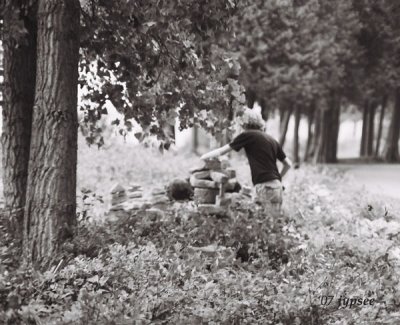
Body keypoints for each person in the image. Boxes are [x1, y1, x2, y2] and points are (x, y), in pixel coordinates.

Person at [200, 108, 292, 215]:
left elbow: (222, 151)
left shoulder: (247, 135)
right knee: (272, 226)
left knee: (261, 225)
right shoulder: (272, 140)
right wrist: (278, 178)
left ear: (243, 122)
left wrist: (204, 157)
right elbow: (288, 164)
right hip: (277, 188)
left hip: (265, 187)